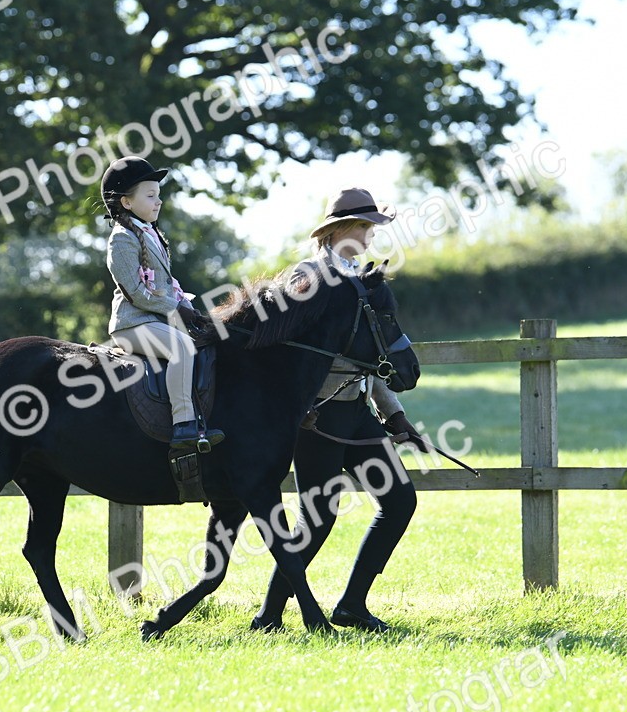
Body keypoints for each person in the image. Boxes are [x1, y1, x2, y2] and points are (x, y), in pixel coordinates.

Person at [251, 186, 423, 633]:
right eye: (365, 227)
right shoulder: (307, 278)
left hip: (358, 415)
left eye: (371, 228)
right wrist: (295, 410)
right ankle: (269, 615)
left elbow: (372, 357)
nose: (370, 237)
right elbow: (284, 354)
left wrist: (395, 416)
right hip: (318, 420)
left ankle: (352, 605)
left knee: (400, 500)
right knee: (319, 519)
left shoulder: (357, 277)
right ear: (340, 230)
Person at [101, 156, 223, 450]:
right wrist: (175, 310)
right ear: (127, 203)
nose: (159, 201)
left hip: (154, 321)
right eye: (151, 195)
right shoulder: (122, 239)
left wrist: (191, 310)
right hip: (131, 324)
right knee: (182, 346)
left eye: (159, 195)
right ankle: (183, 425)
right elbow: (136, 292)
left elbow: (166, 285)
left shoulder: (150, 233)